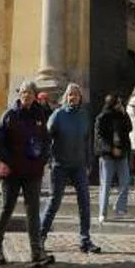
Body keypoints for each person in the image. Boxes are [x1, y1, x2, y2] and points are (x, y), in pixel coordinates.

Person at [0, 80, 52, 267]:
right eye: (23, 92)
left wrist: (42, 160)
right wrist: (9, 160)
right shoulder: (9, 115)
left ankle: (36, 252)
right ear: (20, 94)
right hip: (12, 171)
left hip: (32, 171)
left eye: (30, 92)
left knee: (32, 211)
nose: (26, 95)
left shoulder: (40, 115)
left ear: (35, 96)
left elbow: (46, 141)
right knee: (6, 208)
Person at [40, 83, 100, 254]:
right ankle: (40, 237)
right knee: (54, 202)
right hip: (60, 165)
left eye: (76, 95)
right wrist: (48, 159)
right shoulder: (57, 115)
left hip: (79, 165)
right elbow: (46, 137)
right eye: (70, 95)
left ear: (80, 98)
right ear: (65, 97)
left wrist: (89, 162)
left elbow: (87, 140)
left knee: (85, 203)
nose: (73, 97)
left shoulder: (84, 115)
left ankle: (85, 240)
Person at [94, 94, 132, 223]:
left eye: (120, 103)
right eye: (117, 103)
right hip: (107, 155)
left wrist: (125, 113)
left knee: (126, 181)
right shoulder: (102, 117)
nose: (119, 105)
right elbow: (99, 137)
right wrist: (110, 149)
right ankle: (103, 212)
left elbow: (130, 128)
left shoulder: (122, 116)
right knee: (106, 184)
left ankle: (120, 207)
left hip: (122, 153)